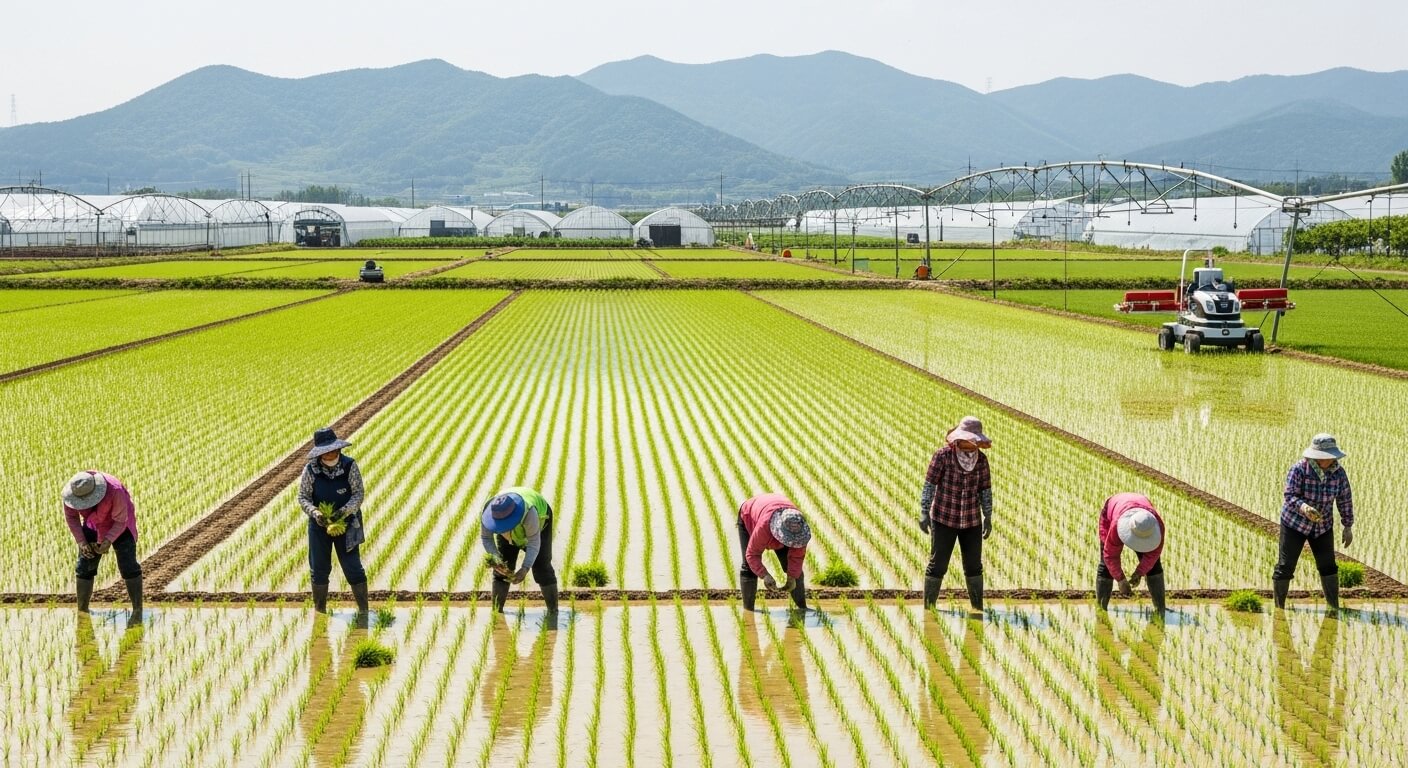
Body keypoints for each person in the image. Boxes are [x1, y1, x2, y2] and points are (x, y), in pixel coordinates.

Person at [920, 417, 993, 613]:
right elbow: (930, 485)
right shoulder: (942, 456)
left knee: (974, 566)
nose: (973, 443)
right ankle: (929, 609)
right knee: (938, 564)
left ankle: (977, 608)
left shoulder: (981, 461)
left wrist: (988, 517)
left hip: (971, 521)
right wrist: (924, 512)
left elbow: (985, 490)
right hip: (944, 518)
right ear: (960, 438)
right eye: (971, 439)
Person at [1273, 433, 1354, 610]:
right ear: (1317, 456)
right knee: (1285, 566)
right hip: (1295, 523)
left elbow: (1344, 498)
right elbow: (1290, 495)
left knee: (1328, 565)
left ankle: (1333, 606)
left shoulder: (1338, 473)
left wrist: (1347, 526)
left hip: (1322, 526)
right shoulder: (1299, 469)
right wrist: (1304, 508)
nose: (1331, 459)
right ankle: (1279, 608)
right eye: (1327, 456)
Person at [298, 427, 369, 616]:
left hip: (347, 523)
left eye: (333, 449)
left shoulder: (349, 465)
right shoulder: (310, 470)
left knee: (352, 566)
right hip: (319, 525)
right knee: (319, 568)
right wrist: (315, 513)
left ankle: (363, 611)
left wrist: (343, 512)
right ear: (320, 453)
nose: (331, 453)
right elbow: (303, 497)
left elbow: (358, 494)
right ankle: (320, 611)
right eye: (326, 450)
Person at [63, 470, 142, 623]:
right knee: (84, 565)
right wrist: (82, 542)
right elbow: (72, 517)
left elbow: (120, 521)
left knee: (128, 565)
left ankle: (138, 609)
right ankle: (82, 611)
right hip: (93, 524)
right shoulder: (72, 493)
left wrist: (107, 541)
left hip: (121, 525)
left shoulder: (115, 490)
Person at [481, 487, 559, 615]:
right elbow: (486, 537)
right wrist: (497, 559)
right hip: (508, 530)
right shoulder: (489, 511)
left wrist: (525, 568)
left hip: (539, 525)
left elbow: (534, 543)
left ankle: (553, 612)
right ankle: (497, 612)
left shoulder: (529, 513)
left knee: (542, 568)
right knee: (503, 570)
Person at [737, 493, 811, 612]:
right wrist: (765, 575)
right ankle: (748, 611)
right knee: (748, 567)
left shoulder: (799, 528)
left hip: (774, 508)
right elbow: (752, 554)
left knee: (792, 568)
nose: (791, 543)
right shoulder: (764, 527)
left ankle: (802, 608)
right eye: (788, 540)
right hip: (749, 513)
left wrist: (792, 577)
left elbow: (796, 558)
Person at [1095, 493, 1166, 612]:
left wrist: (1139, 573)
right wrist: (1121, 579)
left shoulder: (1157, 526)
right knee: (1106, 566)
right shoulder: (1116, 525)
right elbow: (1110, 556)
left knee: (1154, 567)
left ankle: (1160, 609)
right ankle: (1101, 610)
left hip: (1139, 504)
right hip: (1113, 509)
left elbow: (1153, 554)